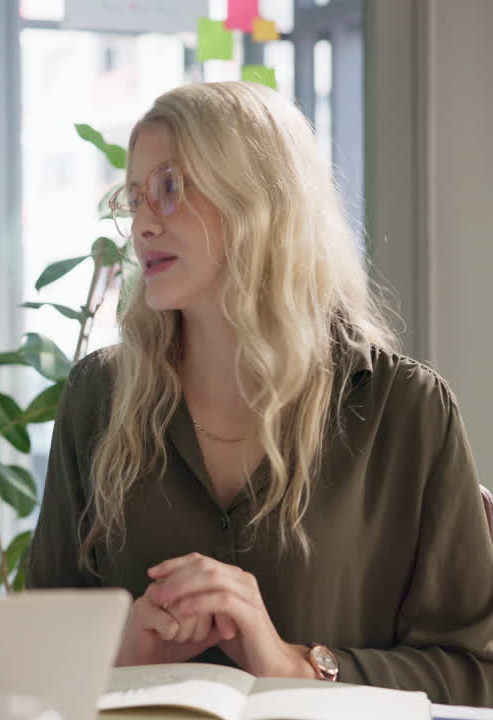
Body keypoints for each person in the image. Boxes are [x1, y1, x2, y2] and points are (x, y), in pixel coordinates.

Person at [26, 81, 493, 706]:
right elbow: (36, 653)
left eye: (170, 187)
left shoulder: (407, 411)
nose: (141, 225)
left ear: (258, 200)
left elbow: (475, 675)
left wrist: (296, 664)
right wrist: (125, 652)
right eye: (134, 199)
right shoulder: (97, 397)